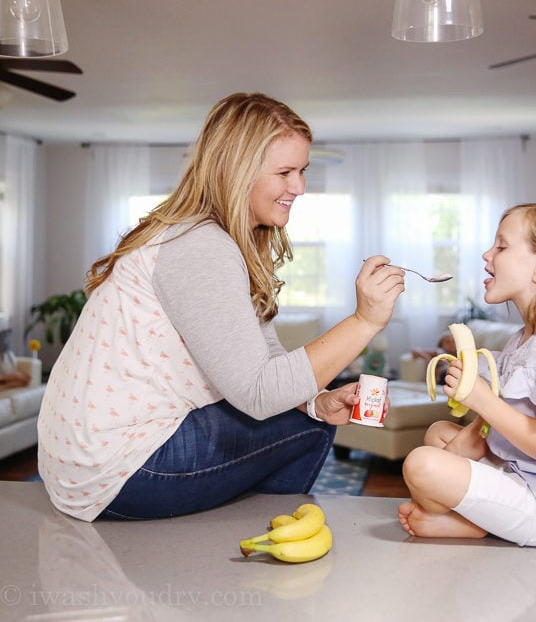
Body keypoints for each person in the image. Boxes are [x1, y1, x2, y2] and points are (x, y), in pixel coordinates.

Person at [37, 92, 405, 522]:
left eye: (302, 170)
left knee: (311, 416)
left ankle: (243, 530)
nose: (300, 186)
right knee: (307, 431)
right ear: (236, 171)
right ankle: (259, 539)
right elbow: (259, 394)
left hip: (89, 461)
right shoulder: (200, 246)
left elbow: (263, 362)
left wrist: (315, 401)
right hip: (120, 469)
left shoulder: (206, 237)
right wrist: (364, 320)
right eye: (285, 172)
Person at [398, 203, 536, 547]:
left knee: (422, 465)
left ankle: (472, 524)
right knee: (438, 435)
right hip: (528, 476)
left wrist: (483, 400)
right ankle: (470, 518)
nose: (487, 254)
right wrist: (471, 430)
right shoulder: (523, 338)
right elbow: (506, 416)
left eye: (501, 246)